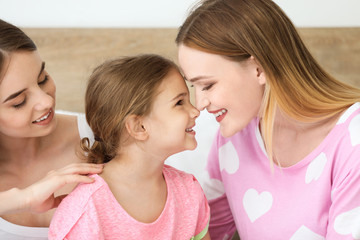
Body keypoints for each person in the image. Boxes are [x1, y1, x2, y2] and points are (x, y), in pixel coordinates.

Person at [176, 0, 360, 239]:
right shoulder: (232, 138)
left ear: (259, 69)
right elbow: (208, 232)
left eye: (208, 85)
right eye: (194, 86)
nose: (200, 103)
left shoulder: (352, 140)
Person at [48, 54, 211, 239]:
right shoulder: (85, 210)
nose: (196, 111)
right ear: (138, 127)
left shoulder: (189, 192)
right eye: (179, 102)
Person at [0, 18, 103, 239]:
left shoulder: (102, 135)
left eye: (43, 79)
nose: (46, 101)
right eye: (19, 102)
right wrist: (22, 199)